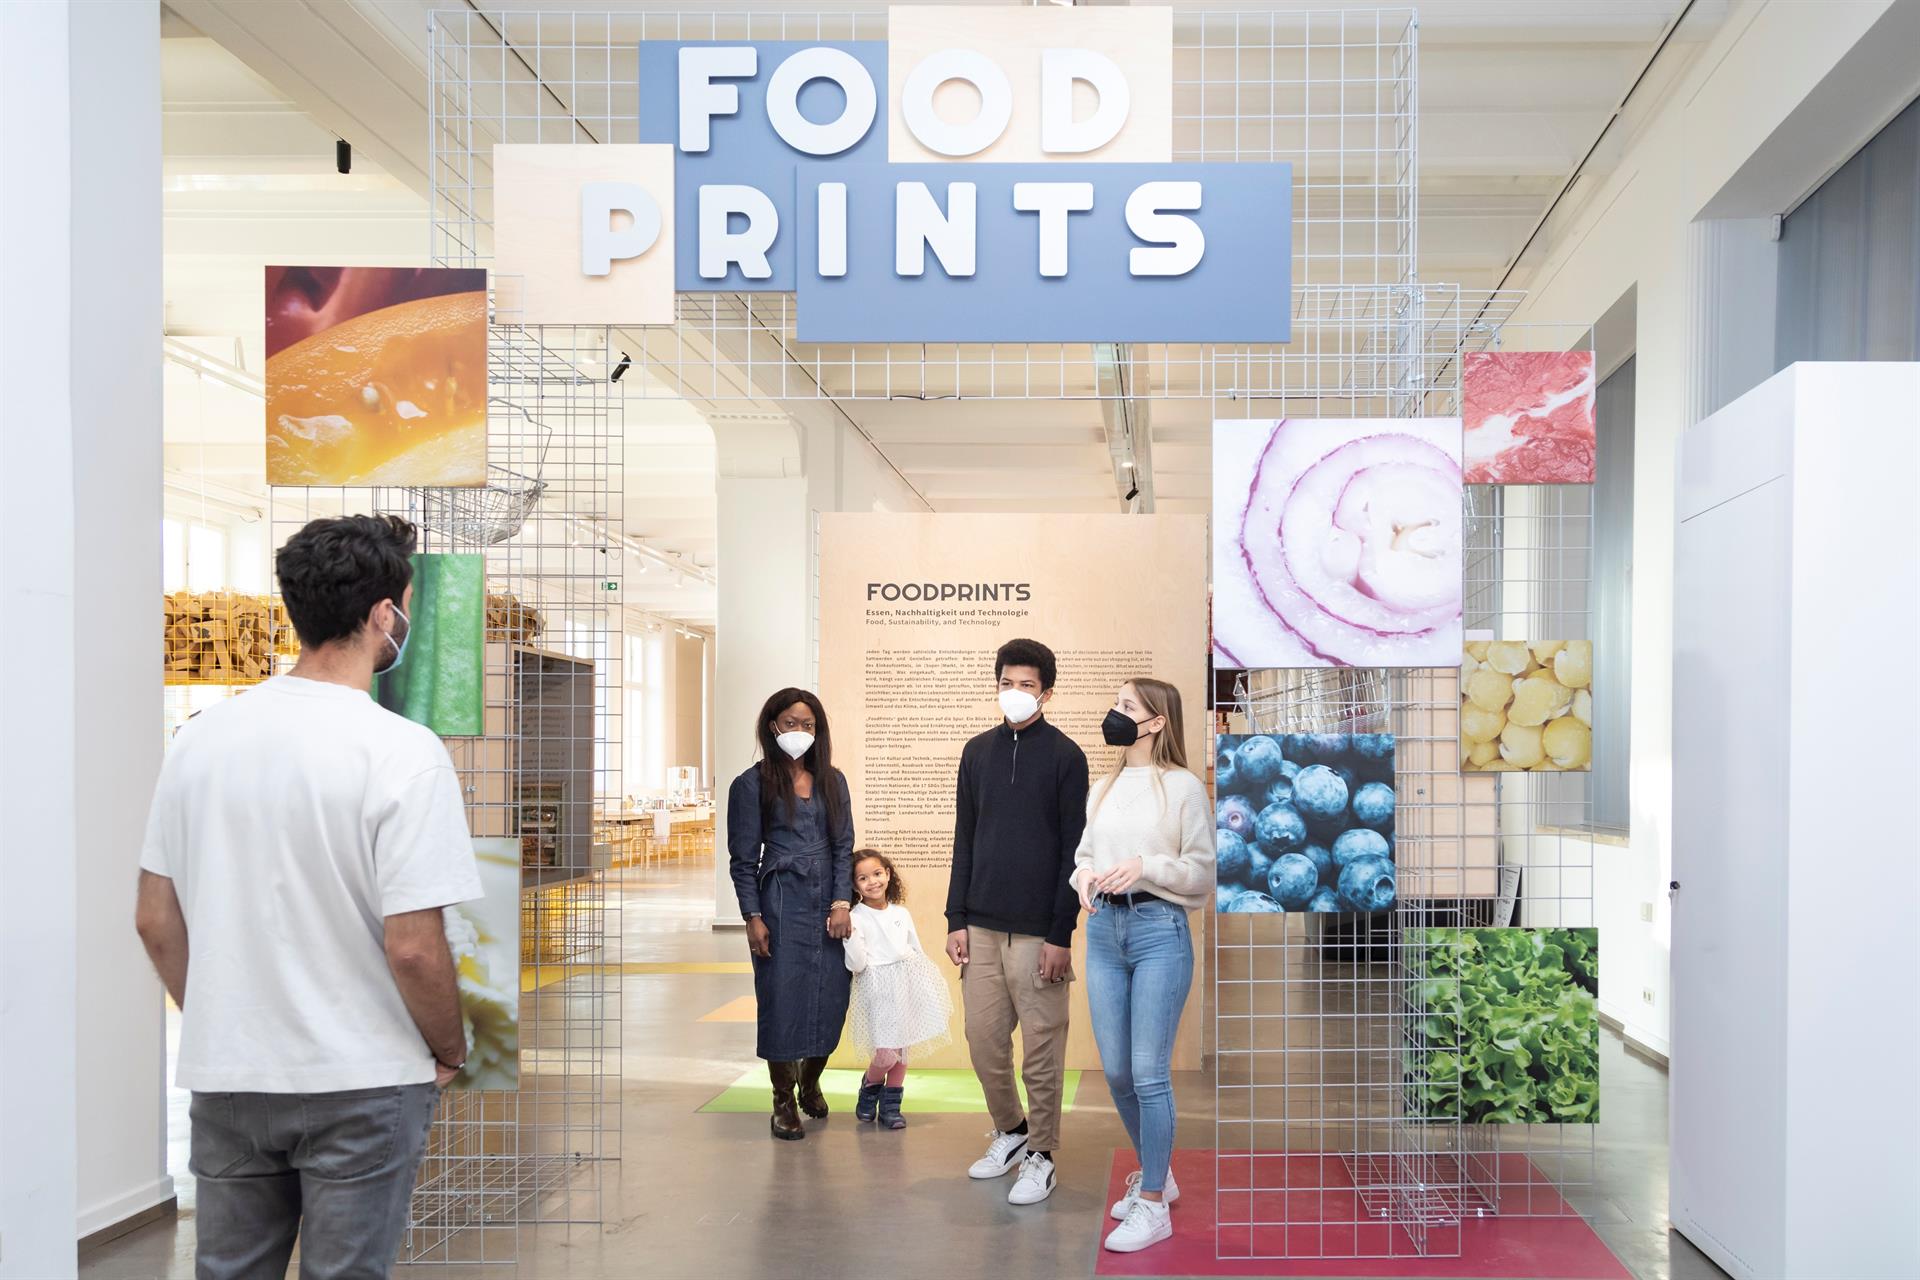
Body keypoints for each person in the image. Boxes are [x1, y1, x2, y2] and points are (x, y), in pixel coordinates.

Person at [134, 514, 481, 1280]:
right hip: (362, 1077)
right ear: (384, 615)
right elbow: (416, 945)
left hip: (230, 1077)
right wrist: (451, 1049)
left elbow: (155, 920)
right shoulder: (402, 752)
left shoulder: (199, 740)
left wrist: (230, 1016)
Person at [1072, 678, 1215, 1253]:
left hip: (1160, 932)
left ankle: (1153, 1202)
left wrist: (1146, 865)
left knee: (1149, 1072)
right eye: (1116, 703)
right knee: (1117, 1074)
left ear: (1156, 721)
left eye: (1127, 706)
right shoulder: (1102, 787)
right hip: (1105, 930)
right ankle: (1160, 1173)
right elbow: (1085, 855)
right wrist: (1083, 878)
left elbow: (1200, 872)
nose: (1115, 713)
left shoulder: (1183, 788)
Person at [945, 637, 1090, 1206]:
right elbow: (965, 841)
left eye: (1027, 685)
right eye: (1007, 682)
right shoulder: (976, 752)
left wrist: (1061, 933)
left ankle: (1043, 1155)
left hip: (1038, 933)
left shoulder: (1065, 757)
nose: (1015, 693)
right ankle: (1010, 1130)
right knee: (982, 1040)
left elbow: (1073, 853)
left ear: (1046, 692)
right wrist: (956, 917)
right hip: (979, 926)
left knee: (1042, 1049)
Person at [727, 688, 855, 1141]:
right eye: (790, 723)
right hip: (779, 901)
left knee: (832, 997)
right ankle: (782, 1098)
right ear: (771, 726)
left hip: (829, 906)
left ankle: (811, 1079)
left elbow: (844, 848)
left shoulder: (832, 781)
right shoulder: (750, 784)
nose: (799, 732)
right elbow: (743, 860)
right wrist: (752, 916)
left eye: (808, 725)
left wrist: (842, 902)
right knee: (782, 1000)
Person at [843, 850, 953, 1129]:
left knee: (902, 1048)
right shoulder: (856, 917)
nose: (873, 882)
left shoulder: (901, 913)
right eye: (863, 878)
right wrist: (850, 938)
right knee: (885, 1052)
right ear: (855, 885)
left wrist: (921, 984)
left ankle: (892, 1106)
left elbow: (914, 949)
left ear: (888, 874)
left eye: (878, 874)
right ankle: (870, 1085)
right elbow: (856, 963)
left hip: (906, 983)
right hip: (877, 987)